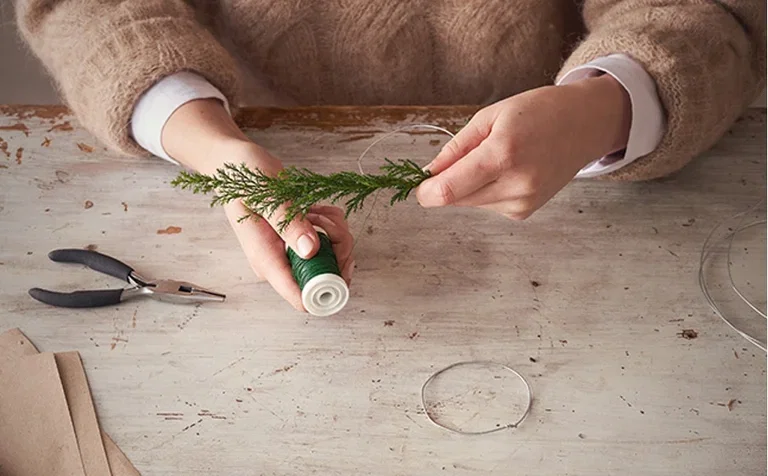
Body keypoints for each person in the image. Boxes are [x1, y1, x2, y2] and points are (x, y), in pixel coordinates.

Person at [15, 1, 766, 312]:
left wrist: (603, 106)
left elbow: (712, 16)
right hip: (240, 126)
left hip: (562, 154)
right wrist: (214, 148)